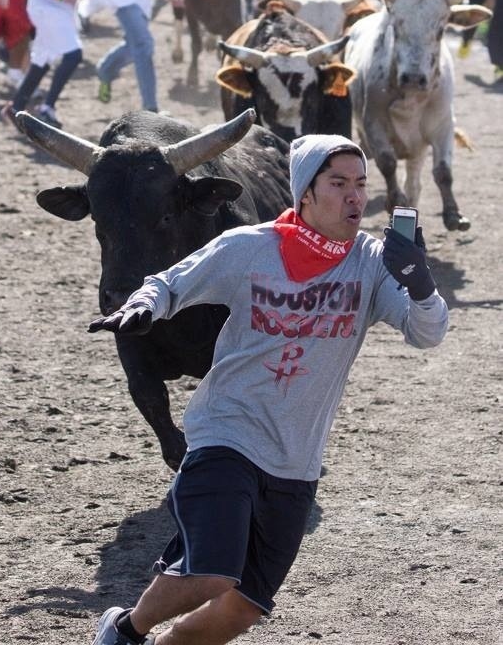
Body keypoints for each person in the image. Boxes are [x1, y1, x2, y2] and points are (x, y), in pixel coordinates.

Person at [88, 132, 448, 645]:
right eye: (338, 182)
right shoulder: (252, 247)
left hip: (296, 459)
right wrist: (147, 304)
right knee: (212, 573)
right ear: (304, 192)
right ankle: (125, 628)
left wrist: (420, 283)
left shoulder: (372, 262)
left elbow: (426, 333)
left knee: (243, 607)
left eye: (361, 184)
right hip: (226, 435)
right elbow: (169, 281)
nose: (354, 196)